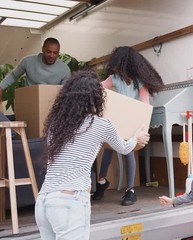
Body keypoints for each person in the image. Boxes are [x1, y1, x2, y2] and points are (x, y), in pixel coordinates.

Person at [34, 70, 150, 240]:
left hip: (44, 201)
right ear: (97, 97)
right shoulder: (100, 125)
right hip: (69, 201)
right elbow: (124, 148)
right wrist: (136, 138)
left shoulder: (56, 125)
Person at [92, 46, 164, 206]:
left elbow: (144, 106)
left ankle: (130, 189)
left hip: (133, 122)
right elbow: (99, 87)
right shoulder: (115, 78)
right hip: (119, 119)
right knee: (108, 147)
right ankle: (102, 182)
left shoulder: (140, 83)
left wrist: (141, 129)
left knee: (128, 149)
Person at [0, 37, 70, 103]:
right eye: (49, 52)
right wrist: (0, 88)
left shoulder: (64, 69)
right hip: (30, 102)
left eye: (55, 53)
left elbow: (64, 93)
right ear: (43, 49)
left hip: (51, 105)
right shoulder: (28, 61)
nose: (52, 55)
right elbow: (13, 76)